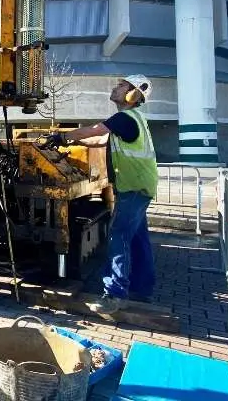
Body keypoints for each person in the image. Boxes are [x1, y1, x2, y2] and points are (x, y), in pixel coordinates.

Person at [49, 74, 158, 315]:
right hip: (141, 187)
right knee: (138, 239)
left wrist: (62, 137)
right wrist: (71, 143)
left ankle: (115, 295)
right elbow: (100, 138)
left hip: (133, 189)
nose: (116, 88)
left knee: (118, 238)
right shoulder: (133, 119)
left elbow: (94, 130)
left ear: (132, 95)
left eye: (122, 86)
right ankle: (143, 289)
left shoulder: (124, 117)